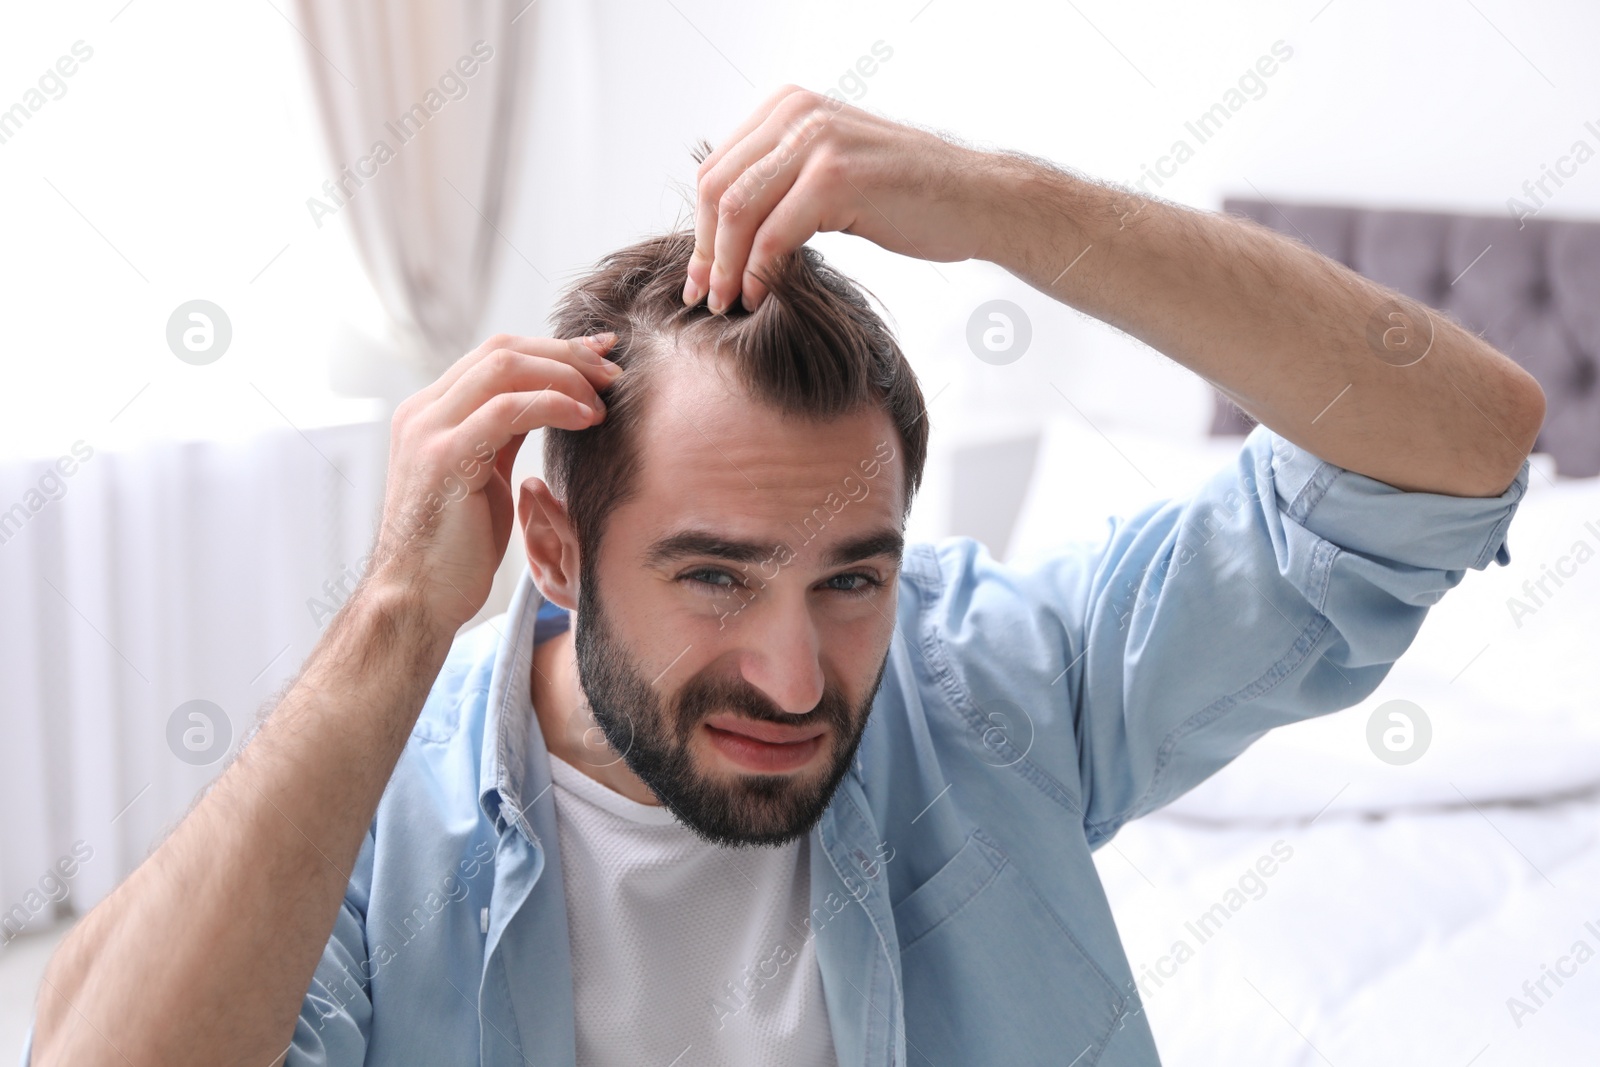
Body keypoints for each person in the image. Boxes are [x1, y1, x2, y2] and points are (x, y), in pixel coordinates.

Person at [26, 86, 1543, 1066]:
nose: (799, 677)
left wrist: (1013, 204)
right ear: (553, 548)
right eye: (713, 578)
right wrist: (395, 616)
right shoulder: (385, 850)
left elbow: (1460, 444)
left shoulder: (998, 685)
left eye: (852, 579)